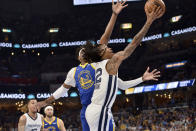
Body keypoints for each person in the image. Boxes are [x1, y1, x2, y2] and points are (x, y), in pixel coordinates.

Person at [81, 4, 164, 131]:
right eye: (106, 48)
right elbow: (135, 42)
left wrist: (142, 78)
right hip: (100, 111)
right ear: (102, 54)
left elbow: (123, 85)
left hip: (98, 111)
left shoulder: (100, 65)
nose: (109, 47)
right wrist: (149, 21)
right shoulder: (111, 63)